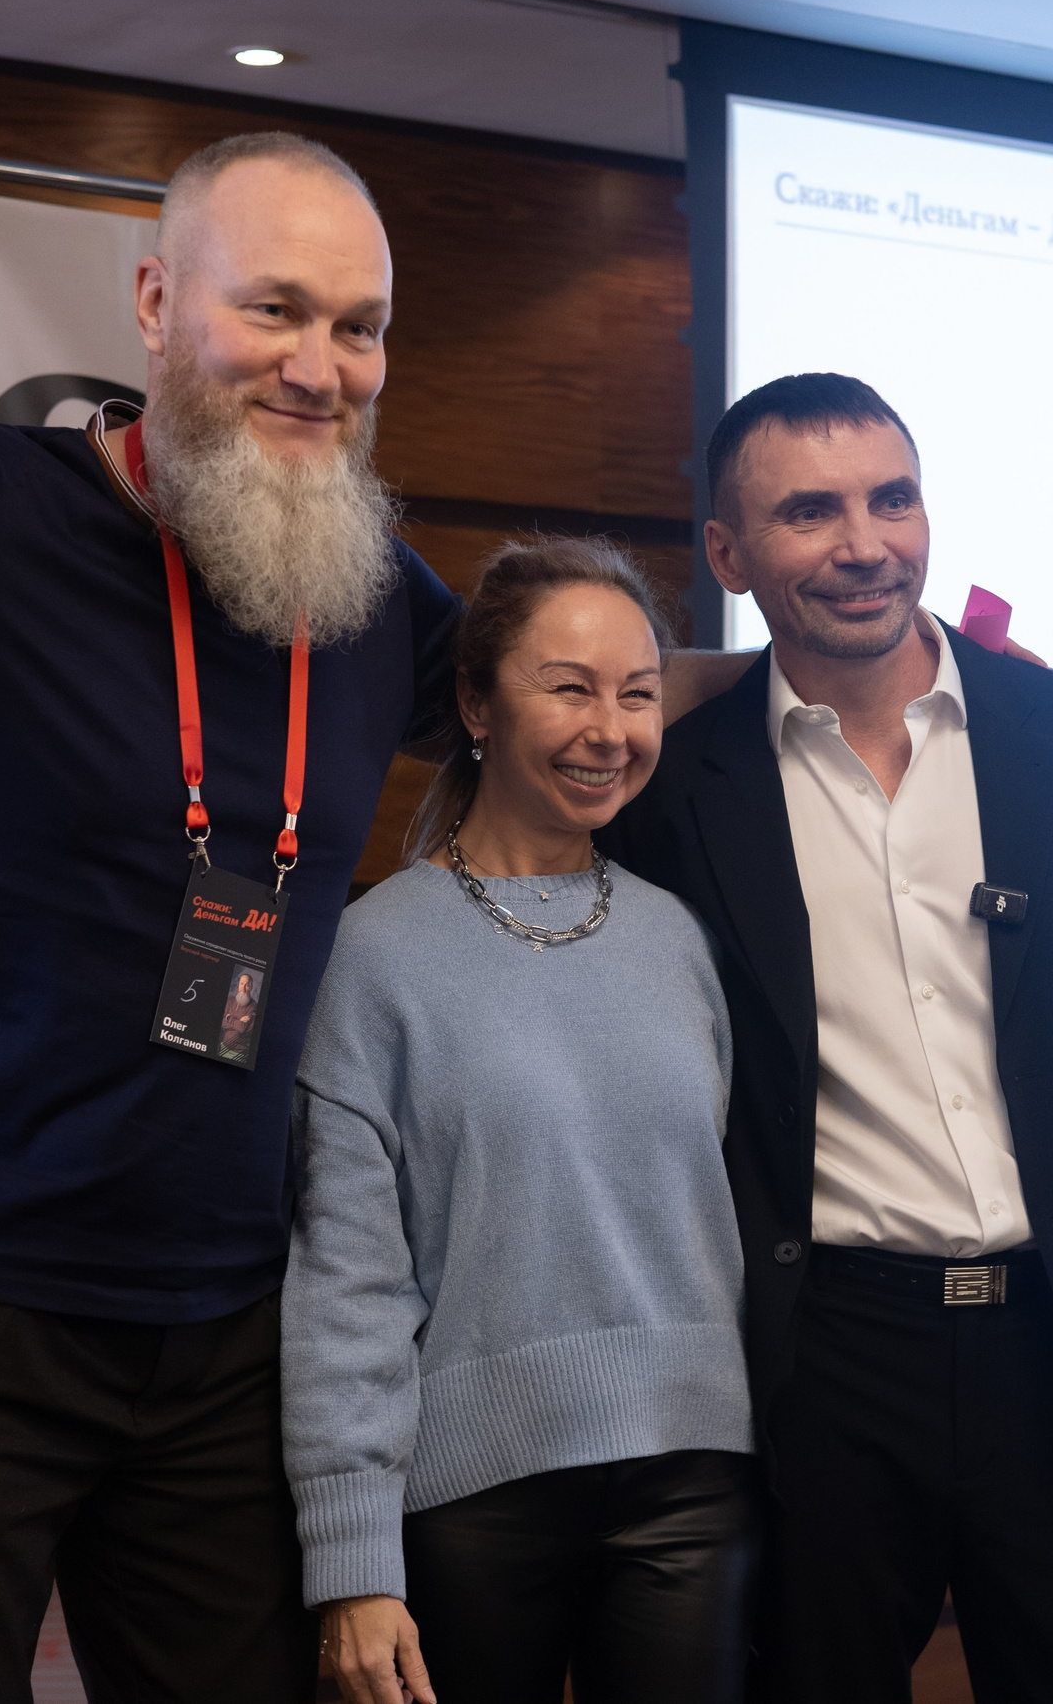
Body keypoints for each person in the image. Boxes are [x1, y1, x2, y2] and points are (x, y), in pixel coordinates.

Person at [0, 56, 743, 1703]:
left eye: (361, 327)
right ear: (159, 301)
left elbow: (593, 699)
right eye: (279, 311)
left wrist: (842, 638)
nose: (323, 367)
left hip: (230, 1328)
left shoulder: (366, 588)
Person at [599, 374, 1053, 1703]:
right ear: (728, 553)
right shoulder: (675, 794)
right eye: (810, 512)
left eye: (893, 497)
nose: (866, 541)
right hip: (823, 1376)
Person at [286, 540, 754, 1704]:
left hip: (698, 1484)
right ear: (474, 703)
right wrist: (351, 1563)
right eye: (570, 687)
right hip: (467, 1502)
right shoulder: (375, 956)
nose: (611, 729)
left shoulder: (682, 942)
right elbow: (346, 1283)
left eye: (638, 694)